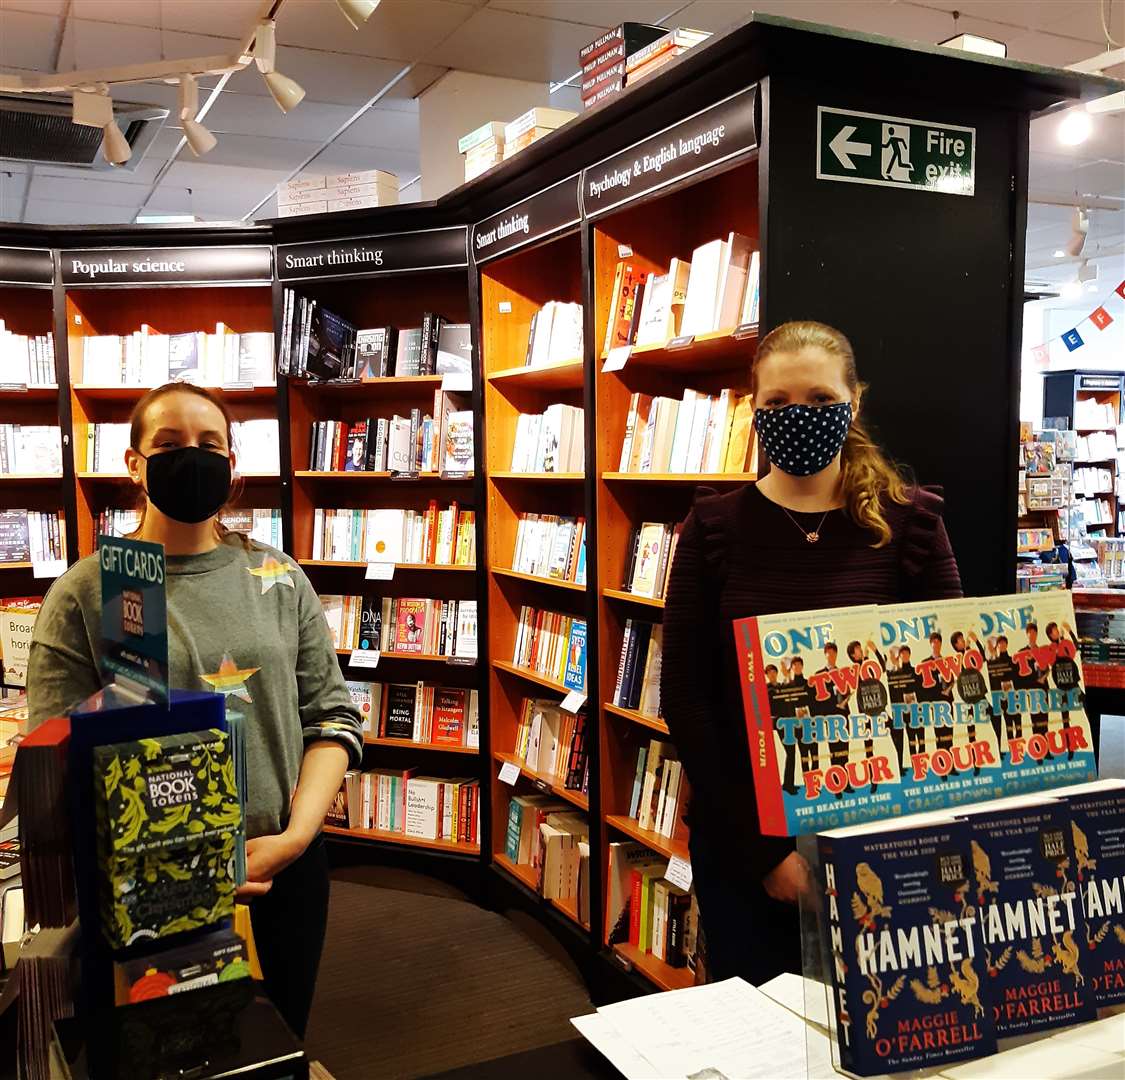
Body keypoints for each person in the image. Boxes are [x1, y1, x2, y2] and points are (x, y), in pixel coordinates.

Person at [26, 382, 362, 1038]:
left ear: (233, 464)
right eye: (170, 445)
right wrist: (188, 868)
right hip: (154, 887)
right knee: (171, 1051)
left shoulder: (278, 576)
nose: (192, 458)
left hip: (286, 870)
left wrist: (292, 841)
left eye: (210, 445)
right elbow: (55, 758)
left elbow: (331, 717)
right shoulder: (99, 590)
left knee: (278, 1037)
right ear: (133, 463)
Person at [661, 319, 962, 985]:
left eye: (821, 401)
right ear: (754, 410)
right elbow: (686, 699)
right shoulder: (712, 528)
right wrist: (764, 852)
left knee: (889, 1015)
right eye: (777, 403)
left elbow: (943, 687)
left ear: (854, 404)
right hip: (745, 841)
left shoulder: (909, 523)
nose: (798, 416)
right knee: (755, 1027)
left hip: (881, 833)